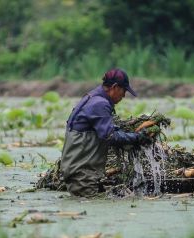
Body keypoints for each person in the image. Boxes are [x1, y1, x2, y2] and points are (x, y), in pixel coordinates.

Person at [60, 68, 150, 197]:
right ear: (114, 87)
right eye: (124, 91)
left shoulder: (92, 97)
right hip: (82, 176)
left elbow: (103, 129)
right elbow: (110, 136)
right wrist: (138, 138)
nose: (124, 96)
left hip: (79, 172)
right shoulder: (100, 104)